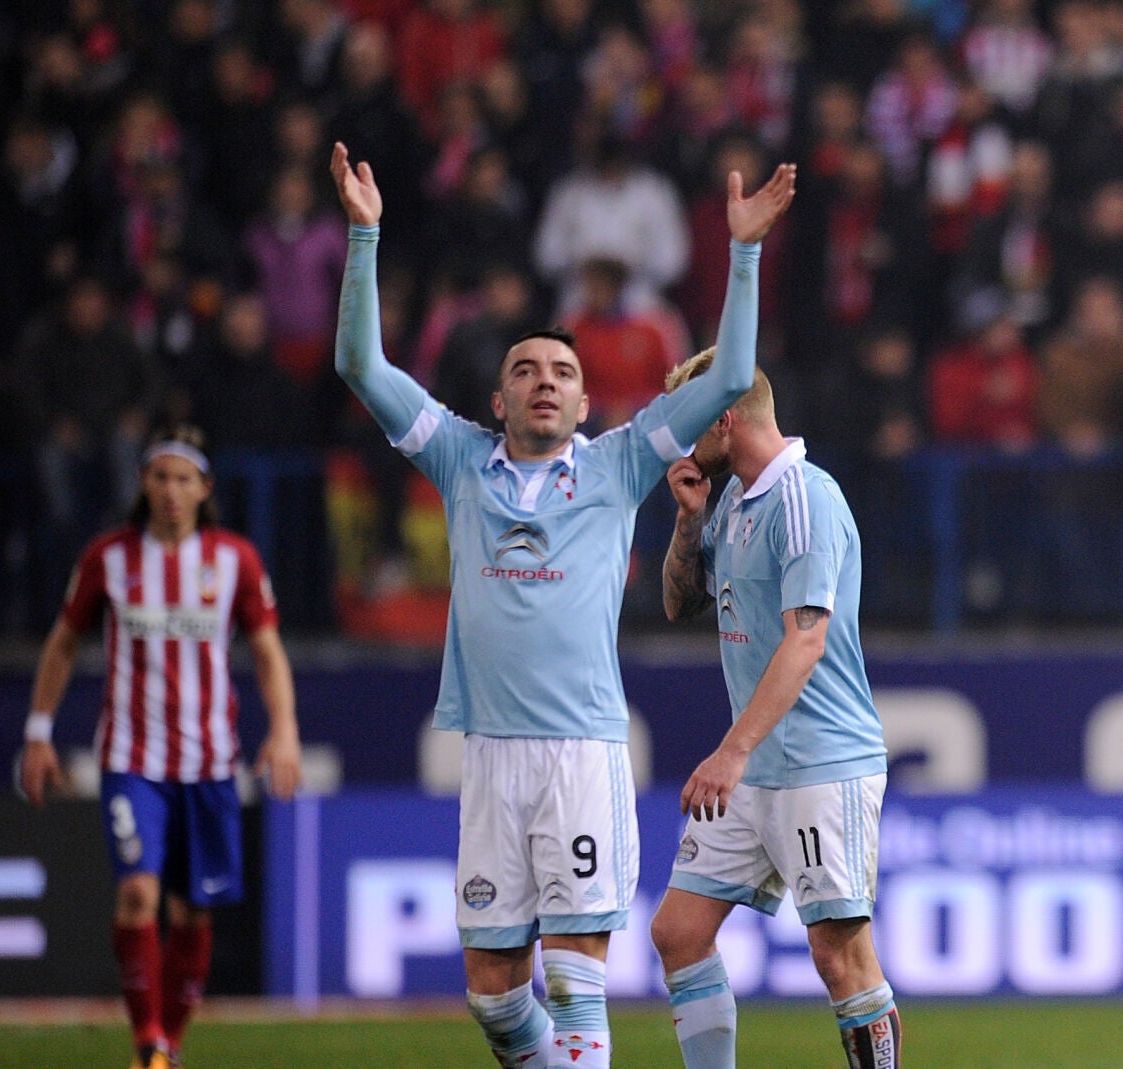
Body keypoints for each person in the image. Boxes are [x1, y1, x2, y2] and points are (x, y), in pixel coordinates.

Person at [328, 141, 792, 1069]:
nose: (546, 379)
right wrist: (366, 238)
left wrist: (741, 255)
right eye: (528, 369)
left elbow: (732, 375)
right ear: (498, 397)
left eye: (564, 373)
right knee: (494, 998)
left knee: (576, 979)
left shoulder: (618, 465)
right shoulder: (459, 458)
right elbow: (360, 366)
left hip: (581, 750)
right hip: (492, 755)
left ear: (586, 405)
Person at [20, 424, 302, 1069]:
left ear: (205, 489)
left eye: (183, 478)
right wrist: (38, 734)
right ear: (143, 484)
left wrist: (283, 728)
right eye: (159, 476)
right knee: (139, 895)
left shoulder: (234, 560)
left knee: (193, 913)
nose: (170, 490)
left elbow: (266, 652)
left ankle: (167, 1048)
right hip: (131, 761)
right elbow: (63, 643)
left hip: (208, 763)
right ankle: (146, 1038)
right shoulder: (108, 558)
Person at [650, 350, 899, 1069]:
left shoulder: (805, 497)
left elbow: (806, 639)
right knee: (679, 931)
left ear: (725, 418)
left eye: (687, 420)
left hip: (819, 762)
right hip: (757, 769)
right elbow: (679, 603)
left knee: (839, 956)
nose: (676, 437)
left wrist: (729, 751)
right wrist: (689, 522)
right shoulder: (732, 499)